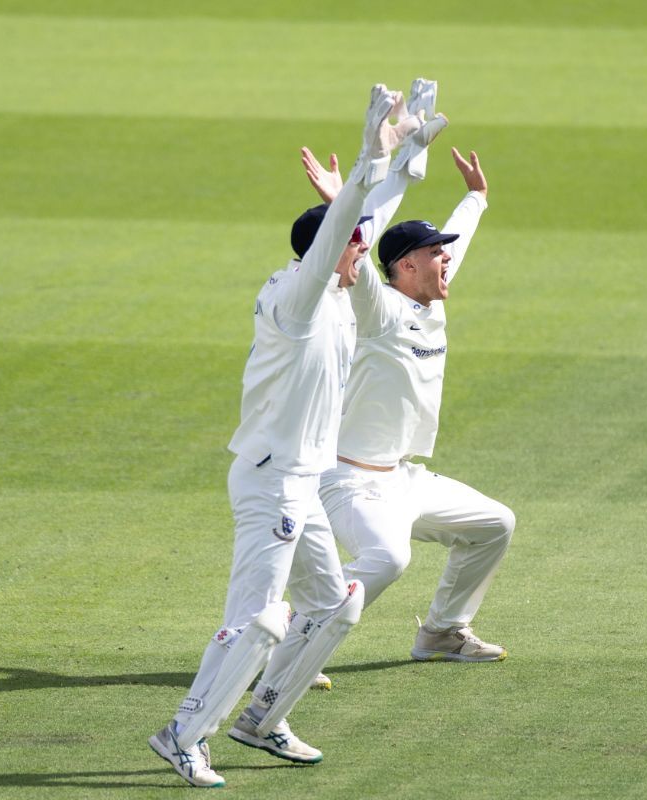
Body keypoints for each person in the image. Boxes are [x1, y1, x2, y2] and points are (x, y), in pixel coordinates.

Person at [147, 84, 445, 789]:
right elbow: (341, 232)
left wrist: (400, 164)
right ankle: (183, 733)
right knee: (261, 622)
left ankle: (264, 716)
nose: (361, 255)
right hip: (271, 478)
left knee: (336, 600)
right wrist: (367, 158)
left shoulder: (340, 293)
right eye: (352, 247)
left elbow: (363, 221)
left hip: (304, 479)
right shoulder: (298, 297)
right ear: (324, 252)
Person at [299, 125, 515, 667]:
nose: (448, 260)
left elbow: (458, 241)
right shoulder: (377, 311)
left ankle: (442, 631)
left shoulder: (430, 298)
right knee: (388, 558)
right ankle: (291, 645)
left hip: (400, 476)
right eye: (435, 253)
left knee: (495, 524)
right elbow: (360, 258)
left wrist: (476, 197)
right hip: (348, 480)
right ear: (405, 266)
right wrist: (343, 203)